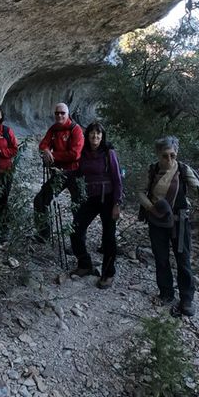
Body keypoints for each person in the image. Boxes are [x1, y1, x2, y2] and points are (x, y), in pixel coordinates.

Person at [138, 136, 199, 317]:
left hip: (180, 222)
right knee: (161, 259)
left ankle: (186, 299)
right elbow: (140, 191)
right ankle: (166, 293)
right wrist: (151, 208)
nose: (169, 160)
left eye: (172, 155)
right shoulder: (152, 170)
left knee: (183, 260)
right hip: (157, 221)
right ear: (158, 155)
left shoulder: (183, 169)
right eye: (165, 156)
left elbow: (198, 187)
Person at [67, 122, 123, 289]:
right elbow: (78, 172)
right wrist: (62, 173)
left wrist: (117, 203)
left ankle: (108, 273)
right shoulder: (84, 153)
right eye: (92, 133)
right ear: (88, 135)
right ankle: (85, 264)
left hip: (107, 198)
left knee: (108, 237)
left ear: (102, 136)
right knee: (75, 229)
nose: (95, 137)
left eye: (98, 134)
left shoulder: (108, 153)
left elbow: (117, 179)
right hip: (90, 198)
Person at [33, 102, 85, 240]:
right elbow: (43, 144)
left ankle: (78, 241)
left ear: (68, 114)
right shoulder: (54, 129)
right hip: (59, 172)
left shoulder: (76, 130)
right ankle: (43, 234)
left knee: (77, 207)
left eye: (62, 113)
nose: (59, 115)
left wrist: (53, 155)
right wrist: (45, 150)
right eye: (57, 113)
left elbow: (75, 154)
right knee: (40, 200)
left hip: (75, 173)